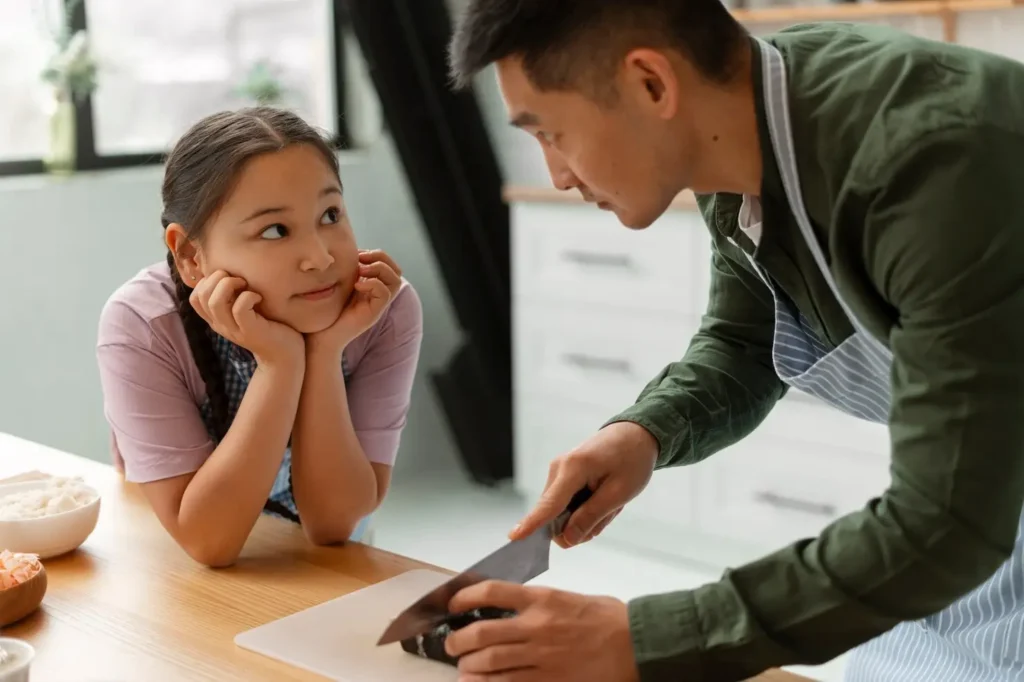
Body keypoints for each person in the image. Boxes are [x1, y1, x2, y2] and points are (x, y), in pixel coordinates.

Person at [439, 1, 1024, 681]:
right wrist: (645, 433)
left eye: (553, 133)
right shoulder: (746, 129)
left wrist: (643, 639)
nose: (558, 176)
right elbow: (748, 339)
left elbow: (946, 527)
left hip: (969, 512)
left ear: (651, 84)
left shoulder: (931, 162)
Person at [96, 108, 423, 568]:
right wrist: (280, 364)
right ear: (191, 255)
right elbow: (208, 543)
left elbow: (333, 526)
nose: (319, 257)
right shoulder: (142, 326)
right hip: (175, 562)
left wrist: (324, 353)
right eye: (275, 230)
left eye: (330, 214)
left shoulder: (382, 307)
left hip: (313, 563)